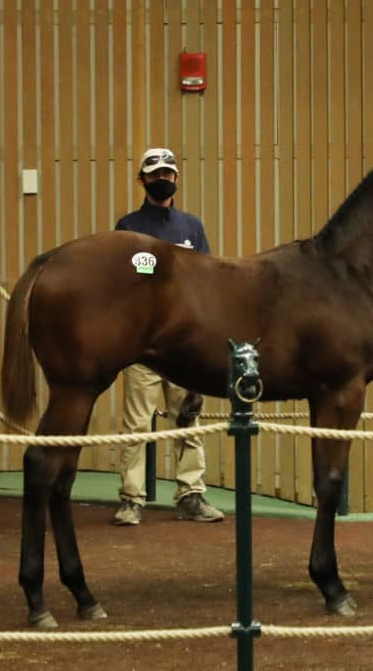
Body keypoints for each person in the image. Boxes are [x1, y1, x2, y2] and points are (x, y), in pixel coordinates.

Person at [111, 146, 224, 524]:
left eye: (168, 173)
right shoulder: (126, 227)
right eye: (154, 173)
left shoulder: (192, 227)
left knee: (188, 420)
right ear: (141, 179)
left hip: (186, 347)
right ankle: (131, 500)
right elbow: (120, 288)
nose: (162, 179)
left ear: (177, 178)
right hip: (141, 347)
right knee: (135, 426)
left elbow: (209, 283)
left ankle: (191, 495)